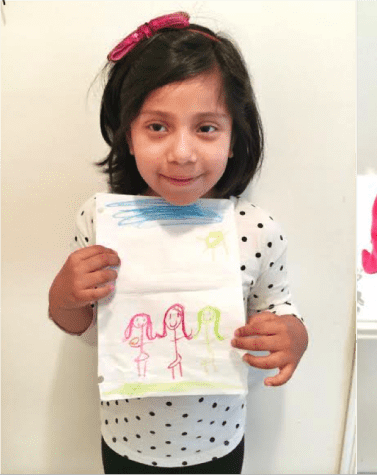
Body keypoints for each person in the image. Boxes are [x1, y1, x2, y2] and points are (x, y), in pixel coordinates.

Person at [47, 12, 308, 474]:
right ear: (127, 133)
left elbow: (279, 305)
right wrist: (63, 296)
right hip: (125, 440)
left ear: (233, 138)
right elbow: (88, 331)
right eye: (157, 127)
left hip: (220, 442)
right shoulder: (100, 220)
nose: (182, 152)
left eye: (206, 127)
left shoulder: (256, 229)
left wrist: (293, 337)